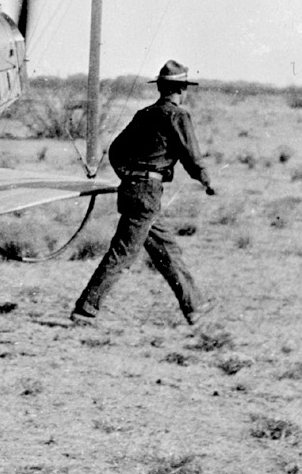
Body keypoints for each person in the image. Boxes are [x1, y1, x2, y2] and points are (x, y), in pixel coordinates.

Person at [71, 60, 216, 326]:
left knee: (167, 251)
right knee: (123, 253)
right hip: (147, 193)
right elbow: (191, 155)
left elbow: (115, 150)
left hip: (133, 191)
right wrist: (206, 180)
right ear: (182, 88)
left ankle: (195, 306)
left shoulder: (144, 114)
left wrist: (128, 176)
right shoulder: (178, 116)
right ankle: (86, 308)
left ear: (161, 87)